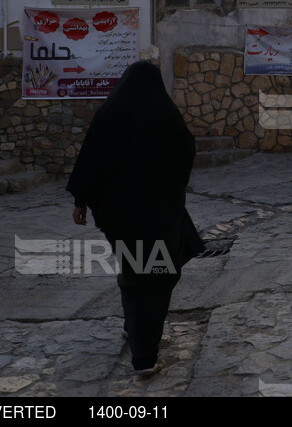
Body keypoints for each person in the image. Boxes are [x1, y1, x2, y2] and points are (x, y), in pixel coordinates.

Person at [68, 61, 204, 379]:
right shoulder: (166, 115)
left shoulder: (108, 115)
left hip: (121, 218)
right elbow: (186, 153)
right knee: (154, 277)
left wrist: (81, 201)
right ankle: (144, 356)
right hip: (158, 214)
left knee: (137, 270)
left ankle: (133, 327)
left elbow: (89, 160)